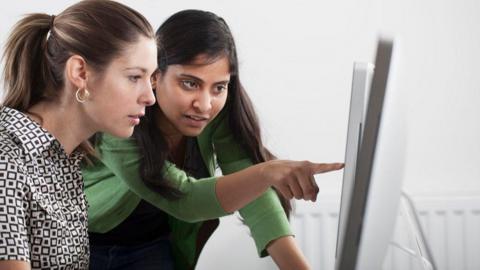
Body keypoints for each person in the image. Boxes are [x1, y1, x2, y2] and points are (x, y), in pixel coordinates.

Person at [83, 9, 343, 270]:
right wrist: (266, 172)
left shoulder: (213, 117)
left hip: (151, 245)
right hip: (84, 243)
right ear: (155, 76)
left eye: (219, 87)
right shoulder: (120, 120)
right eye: (189, 84)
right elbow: (186, 198)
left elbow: (252, 189)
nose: (204, 105)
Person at [0, 1, 159, 269]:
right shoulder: (7, 160)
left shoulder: (65, 158)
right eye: (134, 77)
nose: (150, 97)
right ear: (80, 73)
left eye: (151, 79)